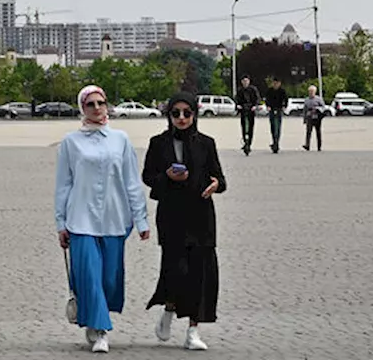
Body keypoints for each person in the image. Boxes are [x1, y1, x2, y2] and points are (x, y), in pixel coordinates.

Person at [55, 85, 151, 354]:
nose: (97, 108)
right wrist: (60, 223)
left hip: (114, 218)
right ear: (82, 109)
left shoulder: (120, 139)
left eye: (101, 103)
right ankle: (100, 330)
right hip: (80, 219)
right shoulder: (71, 143)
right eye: (90, 105)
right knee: (89, 275)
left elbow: (132, 182)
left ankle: (96, 316)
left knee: (109, 278)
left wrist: (141, 220)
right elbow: (63, 185)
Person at [142, 91, 226, 351]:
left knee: (200, 274)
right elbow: (147, 176)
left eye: (186, 113)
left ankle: (193, 330)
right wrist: (167, 177)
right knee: (176, 270)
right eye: (175, 113)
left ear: (194, 114)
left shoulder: (206, 143)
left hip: (200, 215)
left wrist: (216, 185)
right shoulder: (159, 143)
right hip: (172, 216)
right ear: (169, 115)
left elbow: (220, 179)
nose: (181, 118)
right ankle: (168, 310)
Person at [235, 77, 260, 155]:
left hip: (251, 110)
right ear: (242, 82)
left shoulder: (253, 89)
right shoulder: (240, 90)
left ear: (249, 81)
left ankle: (249, 143)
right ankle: (245, 142)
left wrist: (255, 106)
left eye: (246, 81)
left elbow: (257, 98)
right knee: (243, 126)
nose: (245, 82)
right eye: (244, 81)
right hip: (243, 109)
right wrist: (238, 105)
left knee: (250, 127)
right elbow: (236, 99)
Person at [264, 77, 288, 153]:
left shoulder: (282, 91)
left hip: (279, 109)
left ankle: (276, 143)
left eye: (277, 83)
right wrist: (267, 106)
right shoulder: (269, 91)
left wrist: (284, 106)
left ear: (279, 83)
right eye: (274, 83)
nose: (275, 84)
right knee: (273, 126)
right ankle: (274, 141)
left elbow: (285, 99)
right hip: (271, 109)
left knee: (278, 127)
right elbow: (267, 99)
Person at [302, 85, 325, 151]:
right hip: (309, 116)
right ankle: (307, 145)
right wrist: (304, 119)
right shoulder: (306, 99)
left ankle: (319, 146)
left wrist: (317, 109)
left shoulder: (318, 99)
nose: (311, 93)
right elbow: (305, 110)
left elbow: (323, 107)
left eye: (312, 91)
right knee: (308, 132)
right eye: (310, 91)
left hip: (317, 117)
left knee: (318, 132)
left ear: (315, 92)